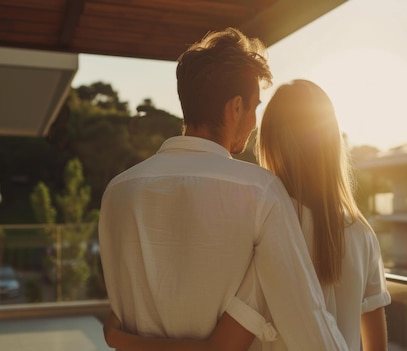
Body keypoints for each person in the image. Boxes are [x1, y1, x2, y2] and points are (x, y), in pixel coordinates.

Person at [98, 28, 349, 351]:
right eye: (254, 106)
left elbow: (121, 312)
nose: (255, 121)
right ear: (235, 107)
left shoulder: (118, 192)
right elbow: (307, 320)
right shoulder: (261, 192)